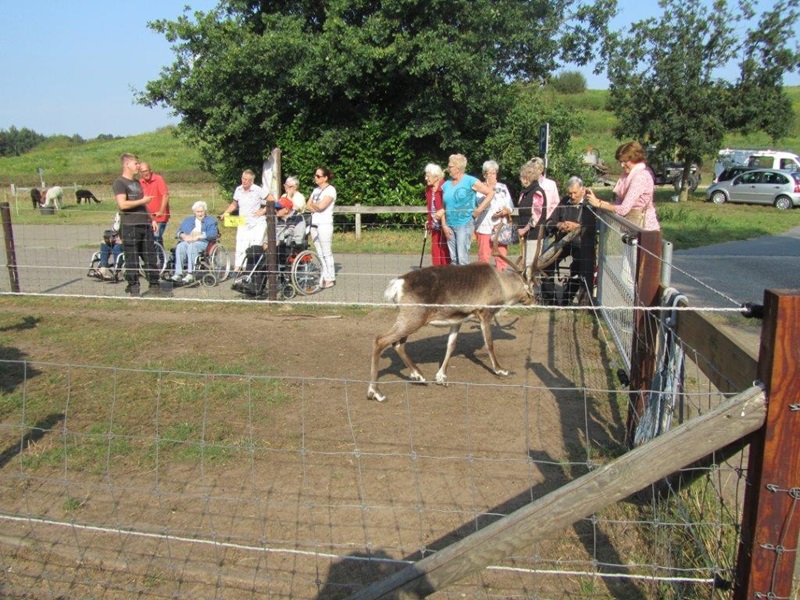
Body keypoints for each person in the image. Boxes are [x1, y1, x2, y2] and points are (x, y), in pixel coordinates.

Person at [113, 153, 166, 297]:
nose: (138, 166)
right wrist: (143, 201)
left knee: (150, 256)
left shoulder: (137, 183)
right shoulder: (120, 183)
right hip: (130, 226)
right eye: (136, 164)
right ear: (127, 165)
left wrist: (152, 219)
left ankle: (155, 286)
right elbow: (122, 204)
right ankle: (134, 287)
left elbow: (144, 204)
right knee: (132, 258)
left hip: (145, 224)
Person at [585, 141, 660, 231]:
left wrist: (599, 204)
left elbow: (623, 209)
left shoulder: (640, 177)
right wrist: (596, 200)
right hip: (632, 228)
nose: (622, 165)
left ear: (634, 158)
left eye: (625, 161)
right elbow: (618, 205)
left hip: (645, 231)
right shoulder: (627, 175)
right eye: (620, 161)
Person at [436, 154, 494, 265]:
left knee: (462, 258)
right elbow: (445, 206)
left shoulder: (470, 180)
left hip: (464, 223)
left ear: (458, 169)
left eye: (450, 167)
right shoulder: (447, 185)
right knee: (453, 259)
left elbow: (490, 193)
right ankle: (456, 281)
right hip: (449, 225)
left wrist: (479, 210)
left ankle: (467, 281)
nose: (448, 169)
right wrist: (444, 225)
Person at [551, 176, 597, 305]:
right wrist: (560, 225)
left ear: (582, 190)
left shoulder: (589, 204)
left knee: (578, 268)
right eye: (569, 193)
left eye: (575, 193)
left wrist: (577, 227)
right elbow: (550, 221)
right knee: (546, 264)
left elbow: (595, 225)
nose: (572, 196)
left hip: (581, 243)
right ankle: (550, 300)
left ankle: (567, 300)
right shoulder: (564, 201)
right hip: (562, 242)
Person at [220, 169, 273, 277]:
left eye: (247, 180)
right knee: (240, 245)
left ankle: (253, 270)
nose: (244, 181)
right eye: (243, 179)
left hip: (256, 223)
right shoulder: (238, 189)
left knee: (255, 246)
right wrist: (225, 213)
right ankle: (237, 269)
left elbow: (271, 199)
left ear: (251, 181)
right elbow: (234, 204)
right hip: (243, 222)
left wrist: (263, 210)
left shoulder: (257, 190)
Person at [515, 160, 554, 301]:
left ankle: (532, 294)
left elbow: (536, 216)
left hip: (534, 234)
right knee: (525, 262)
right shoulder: (524, 193)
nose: (520, 180)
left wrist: (524, 230)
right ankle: (527, 292)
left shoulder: (537, 193)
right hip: (525, 234)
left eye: (521, 177)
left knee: (530, 264)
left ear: (527, 178)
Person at [474, 160, 514, 271]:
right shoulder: (479, 188)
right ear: (484, 174)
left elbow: (510, 205)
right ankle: (483, 280)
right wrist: (489, 189)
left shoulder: (503, 187)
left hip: (500, 226)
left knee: (501, 255)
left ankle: (502, 277)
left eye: (494, 173)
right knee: (484, 256)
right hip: (484, 226)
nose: (492, 176)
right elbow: (478, 205)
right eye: (489, 173)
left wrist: (505, 211)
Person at [171, 201, 219, 284]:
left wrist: (199, 236)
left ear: (205, 211)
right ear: (194, 212)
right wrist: (183, 235)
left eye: (202, 211)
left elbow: (213, 233)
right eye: (198, 212)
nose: (200, 214)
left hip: (203, 242)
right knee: (180, 246)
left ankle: (190, 273)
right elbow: (178, 232)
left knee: (192, 246)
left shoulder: (210, 221)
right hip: (188, 240)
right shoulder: (188, 220)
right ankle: (178, 273)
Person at [306, 166, 337, 288]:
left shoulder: (331, 190)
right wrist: (315, 205)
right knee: (319, 251)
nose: (315, 178)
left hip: (325, 224)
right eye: (315, 175)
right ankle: (325, 273)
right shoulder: (315, 190)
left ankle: (330, 277)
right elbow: (308, 205)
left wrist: (314, 205)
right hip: (314, 223)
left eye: (318, 176)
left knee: (326, 251)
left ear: (325, 178)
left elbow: (322, 206)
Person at [424, 163, 450, 266]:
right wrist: (429, 220)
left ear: (436, 177)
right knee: (435, 248)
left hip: (446, 222)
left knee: (444, 248)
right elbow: (430, 207)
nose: (426, 178)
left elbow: (448, 205)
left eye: (428, 176)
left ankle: (445, 270)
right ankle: (437, 270)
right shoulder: (429, 189)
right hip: (435, 223)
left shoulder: (445, 187)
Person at [139, 162, 170, 244]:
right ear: (140, 173)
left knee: (156, 238)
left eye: (146, 171)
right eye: (143, 171)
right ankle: (160, 256)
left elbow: (165, 195)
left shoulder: (158, 179)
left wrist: (161, 211)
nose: (145, 173)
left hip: (159, 217)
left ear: (150, 170)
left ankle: (161, 256)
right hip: (147, 217)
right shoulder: (140, 182)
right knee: (149, 240)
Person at [91, 213, 122, 281]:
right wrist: (109, 238)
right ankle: (102, 270)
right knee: (104, 244)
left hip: (129, 242)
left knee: (117, 247)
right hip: (118, 240)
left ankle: (116, 270)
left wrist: (123, 240)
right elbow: (114, 230)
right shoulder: (119, 215)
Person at [529, 156, 560, 220]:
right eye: (530, 168)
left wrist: (548, 218)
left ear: (541, 169)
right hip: (529, 222)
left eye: (534, 168)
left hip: (545, 221)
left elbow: (555, 204)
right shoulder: (527, 185)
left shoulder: (550, 184)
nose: (531, 171)